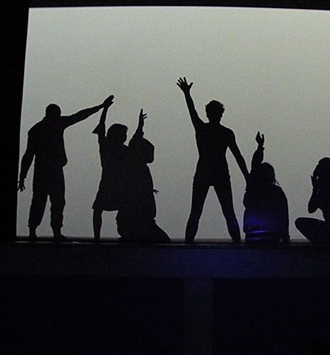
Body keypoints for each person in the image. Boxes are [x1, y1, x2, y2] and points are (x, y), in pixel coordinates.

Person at [18, 95, 114, 240]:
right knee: (44, 202)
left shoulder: (39, 129)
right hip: (47, 171)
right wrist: (22, 176)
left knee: (51, 202)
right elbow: (28, 155)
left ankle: (46, 231)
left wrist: (101, 106)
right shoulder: (48, 127)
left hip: (48, 171)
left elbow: (80, 115)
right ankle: (39, 230)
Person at [176, 77, 249, 243]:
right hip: (217, 173)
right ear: (220, 114)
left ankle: (188, 244)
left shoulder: (203, 129)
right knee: (226, 211)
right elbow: (238, 157)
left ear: (208, 114)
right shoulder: (225, 133)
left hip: (206, 172)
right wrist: (247, 176)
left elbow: (192, 112)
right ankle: (237, 244)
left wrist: (187, 94)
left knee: (197, 212)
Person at [116, 110, 170, 243]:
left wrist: (140, 126)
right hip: (137, 224)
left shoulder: (136, 167)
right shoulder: (134, 167)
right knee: (163, 242)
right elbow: (135, 141)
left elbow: (136, 139)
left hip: (139, 222)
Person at [91, 99, 129, 241]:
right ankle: (98, 236)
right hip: (112, 182)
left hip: (113, 182)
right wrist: (105, 109)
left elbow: (101, 127)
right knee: (101, 209)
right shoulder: (112, 147)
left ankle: (98, 237)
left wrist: (105, 108)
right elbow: (102, 126)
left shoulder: (108, 146)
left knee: (100, 209)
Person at [243, 132, 290, 243]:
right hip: (261, 232)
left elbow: (254, 167)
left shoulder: (256, 190)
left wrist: (260, 147)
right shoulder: (260, 190)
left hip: (263, 232)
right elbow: (284, 215)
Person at [295, 157, 330, 244]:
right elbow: (311, 208)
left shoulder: (327, 190)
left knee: (300, 222)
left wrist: (315, 189)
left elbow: (311, 208)